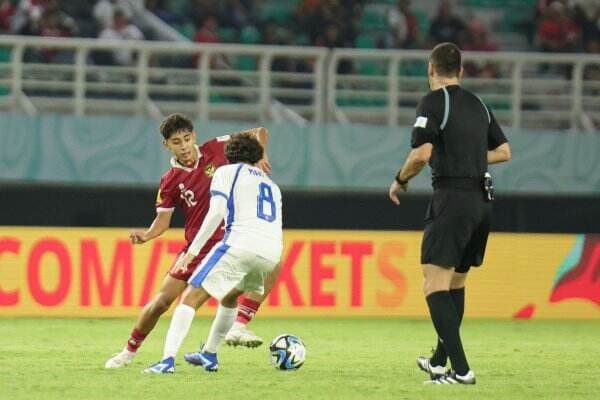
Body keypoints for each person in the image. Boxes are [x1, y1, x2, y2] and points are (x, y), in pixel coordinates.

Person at [104, 114, 271, 369]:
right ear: (167, 146)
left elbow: (259, 131)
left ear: (194, 136)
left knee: (251, 278)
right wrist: (147, 235)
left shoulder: (216, 148)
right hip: (195, 246)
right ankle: (129, 351)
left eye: (186, 139)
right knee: (161, 301)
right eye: (176, 142)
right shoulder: (169, 181)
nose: (183, 146)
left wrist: (258, 155)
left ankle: (229, 334)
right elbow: (162, 222)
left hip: (227, 242)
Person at [388, 42, 511, 384]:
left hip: (452, 199)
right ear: (461, 71)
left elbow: (420, 155)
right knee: (456, 282)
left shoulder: (433, 101)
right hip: (482, 202)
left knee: (433, 284)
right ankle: (440, 361)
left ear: (431, 69)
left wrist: (399, 181)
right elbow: (504, 151)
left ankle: (462, 371)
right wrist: (468, 156)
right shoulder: (479, 105)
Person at [143, 132, 283, 373]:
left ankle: (166, 361)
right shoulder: (272, 185)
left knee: (189, 298)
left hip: (240, 245)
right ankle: (210, 354)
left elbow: (216, 212)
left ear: (230, 156)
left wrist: (193, 250)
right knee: (229, 297)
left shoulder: (227, 172)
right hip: (271, 254)